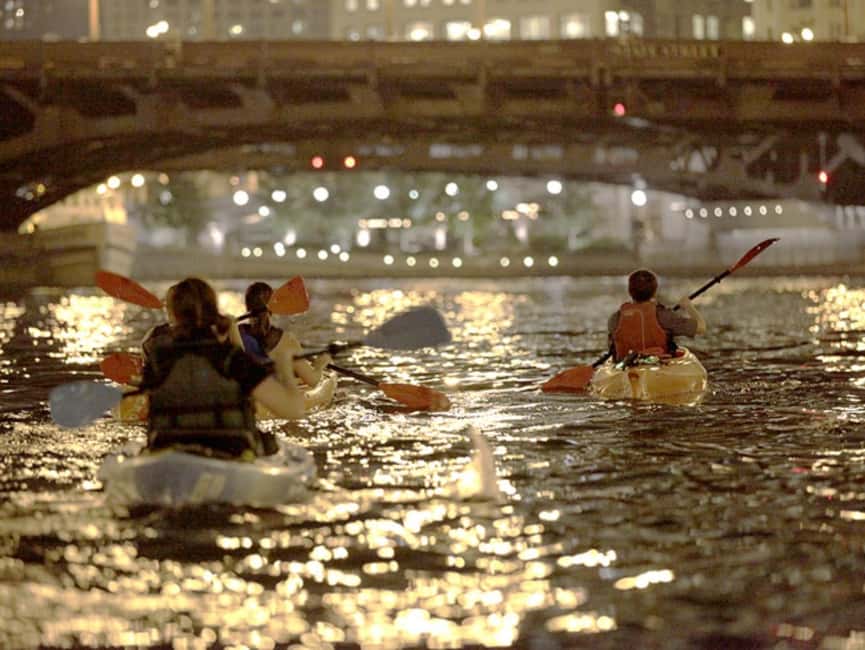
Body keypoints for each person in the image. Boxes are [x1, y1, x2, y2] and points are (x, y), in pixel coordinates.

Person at [139, 277, 307, 458]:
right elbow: (294, 410)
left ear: (172, 314)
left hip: (166, 452)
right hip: (230, 454)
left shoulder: (158, 360)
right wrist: (284, 368)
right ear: (213, 310)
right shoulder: (232, 359)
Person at [238, 281, 331, 389]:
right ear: (273, 306)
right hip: (275, 397)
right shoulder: (286, 340)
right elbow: (312, 381)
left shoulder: (236, 332)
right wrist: (320, 365)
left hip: (247, 391)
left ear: (247, 306)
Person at [607, 268, 706, 362]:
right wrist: (688, 306)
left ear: (630, 291)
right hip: (658, 365)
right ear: (654, 292)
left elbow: (613, 348)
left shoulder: (615, 319)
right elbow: (701, 328)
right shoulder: (664, 316)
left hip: (626, 367)